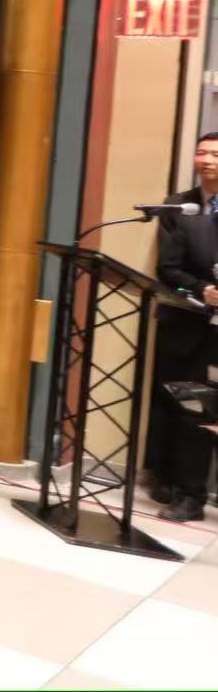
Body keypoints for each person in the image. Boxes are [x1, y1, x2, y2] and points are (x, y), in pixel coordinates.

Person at [152, 132, 218, 523]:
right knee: (189, 405)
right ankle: (185, 492)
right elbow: (168, 270)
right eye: (202, 152)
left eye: (215, 153)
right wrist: (202, 290)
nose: (207, 159)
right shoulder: (179, 206)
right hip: (191, 322)